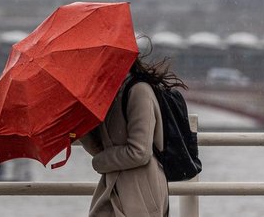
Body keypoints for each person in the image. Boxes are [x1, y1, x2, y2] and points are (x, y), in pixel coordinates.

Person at [80, 54, 186, 217]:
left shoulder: (139, 91)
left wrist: (99, 162)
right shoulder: (108, 95)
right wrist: (81, 125)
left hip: (140, 190)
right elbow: (102, 148)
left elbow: (140, 152)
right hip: (114, 187)